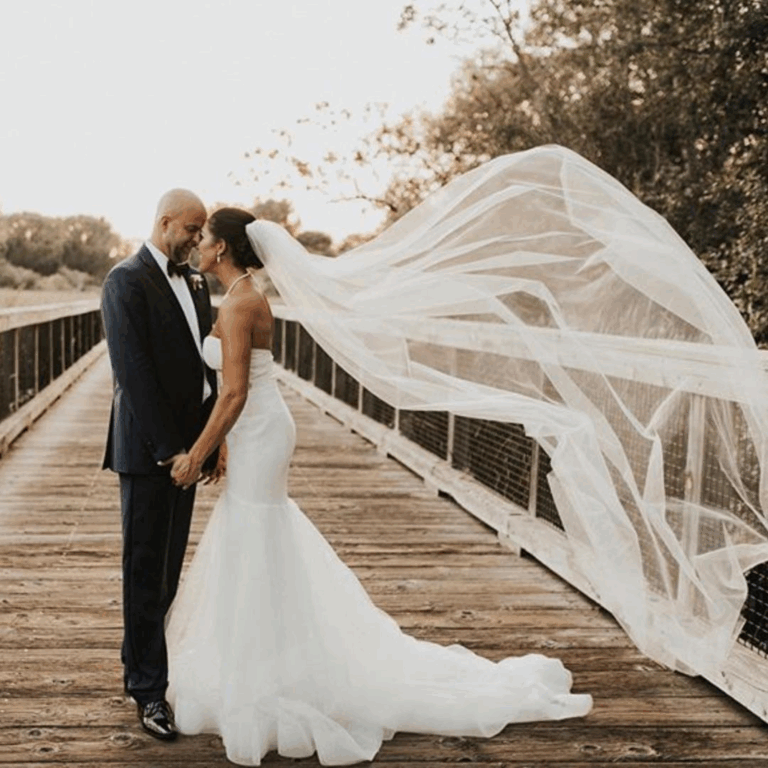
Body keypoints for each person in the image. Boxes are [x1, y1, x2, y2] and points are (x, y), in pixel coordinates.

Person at [164, 207, 592, 766]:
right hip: (252, 433)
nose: (198, 246)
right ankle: (264, 660)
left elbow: (236, 393)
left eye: (206, 239)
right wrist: (222, 443)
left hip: (261, 430)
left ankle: (266, 673)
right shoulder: (241, 294)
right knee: (255, 534)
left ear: (220, 249)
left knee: (256, 531)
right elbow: (233, 388)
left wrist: (196, 453)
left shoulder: (243, 302)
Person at [100, 189, 221, 741]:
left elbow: (206, 366)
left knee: (169, 570)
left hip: (191, 452)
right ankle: (148, 692)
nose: (197, 240)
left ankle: (143, 662)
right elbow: (135, 375)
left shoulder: (196, 283)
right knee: (144, 570)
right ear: (165, 221)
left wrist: (207, 445)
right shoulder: (124, 280)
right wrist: (171, 449)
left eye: (202, 233)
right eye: (191, 230)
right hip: (151, 454)